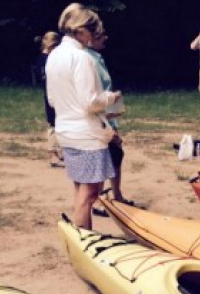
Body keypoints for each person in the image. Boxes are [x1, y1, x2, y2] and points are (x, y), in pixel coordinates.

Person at [46, 5, 121, 230]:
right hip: (86, 135)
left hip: (65, 131)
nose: (93, 36)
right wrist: (110, 97)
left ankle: (84, 238)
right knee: (90, 194)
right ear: (80, 30)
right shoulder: (82, 58)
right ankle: (83, 242)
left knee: (80, 190)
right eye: (92, 31)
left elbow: (51, 99)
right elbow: (91, 102)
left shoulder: (54, 55)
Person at [86, 27, 132, 215]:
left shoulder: (97, 57)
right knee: (104, 156)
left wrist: (113, 109)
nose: (106, 37)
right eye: (101, 36)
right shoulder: (87, 59)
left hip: (107, 113)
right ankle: (96, 201)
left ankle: (117, 194)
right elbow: (93, 93)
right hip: (98, 115)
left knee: (116, 154)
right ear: (91, 39)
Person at [35, 31, 63, 167]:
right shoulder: (48, 60)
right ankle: (53, 154)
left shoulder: (42, 59)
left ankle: (59, 152)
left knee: (56, 123)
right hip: (53, 95)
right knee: (54, 124)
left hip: (52, 94)